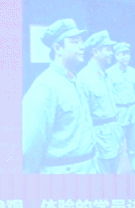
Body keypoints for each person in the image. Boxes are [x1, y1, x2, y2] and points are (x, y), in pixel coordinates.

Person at [21, 18, 96, 173]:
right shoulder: (45, 86)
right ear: (58, 48)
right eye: (74, 42)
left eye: (82, 41)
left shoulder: (76, 81)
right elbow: (31, 145)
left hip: (87, 168)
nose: (82, 46)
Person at [76, 30, 121, 173]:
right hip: (99, 141)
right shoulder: (84, 78)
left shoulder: (105, 74)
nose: (111, 53)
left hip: (114, 136)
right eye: (107, 49)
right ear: (96, 52)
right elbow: (82, 118)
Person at [107, 42, 135, 173]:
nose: (125, 57)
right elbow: (109, 96)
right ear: (116, 56)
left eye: (127, 54)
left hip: (132, 113)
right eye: (122, 54)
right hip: (119, 114)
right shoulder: (109, 73)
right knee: (117, 146)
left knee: (133, 145)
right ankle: (117, 171)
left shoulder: (133, 72)